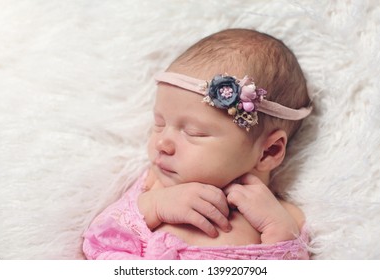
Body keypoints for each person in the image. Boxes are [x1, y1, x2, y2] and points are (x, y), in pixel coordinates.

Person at [83, 28, 313, 260]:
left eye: (193, 132)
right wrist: (153, 208)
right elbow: (98, 244)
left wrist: (281, 235)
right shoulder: (156, 188)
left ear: (268, 151)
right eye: (159, 123)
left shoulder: (284, 217)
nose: (162, 143)